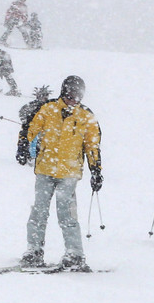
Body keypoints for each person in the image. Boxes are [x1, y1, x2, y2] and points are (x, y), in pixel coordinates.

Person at [20, 75, 101, 270]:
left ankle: (75, 254)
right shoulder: (48, 110)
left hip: (69, 173)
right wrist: (24, 145)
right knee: (38, 212)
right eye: (71, 94)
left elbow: (92, 145)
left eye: (77, 95)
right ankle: (34, 251)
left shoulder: (85, 116)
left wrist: (95, 169)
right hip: (45, 169)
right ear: (64, 92)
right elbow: (31, 130)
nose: (74, 99)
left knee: (67, 215)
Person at [16, 85, 53, 166]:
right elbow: (22, 113)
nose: (45, 98)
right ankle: (23, 156)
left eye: (46, 96)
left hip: (43, 131)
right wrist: (26, 122)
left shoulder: (49, 106)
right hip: (30, 130)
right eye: (43, 96)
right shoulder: (32, 105)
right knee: (24, 140)